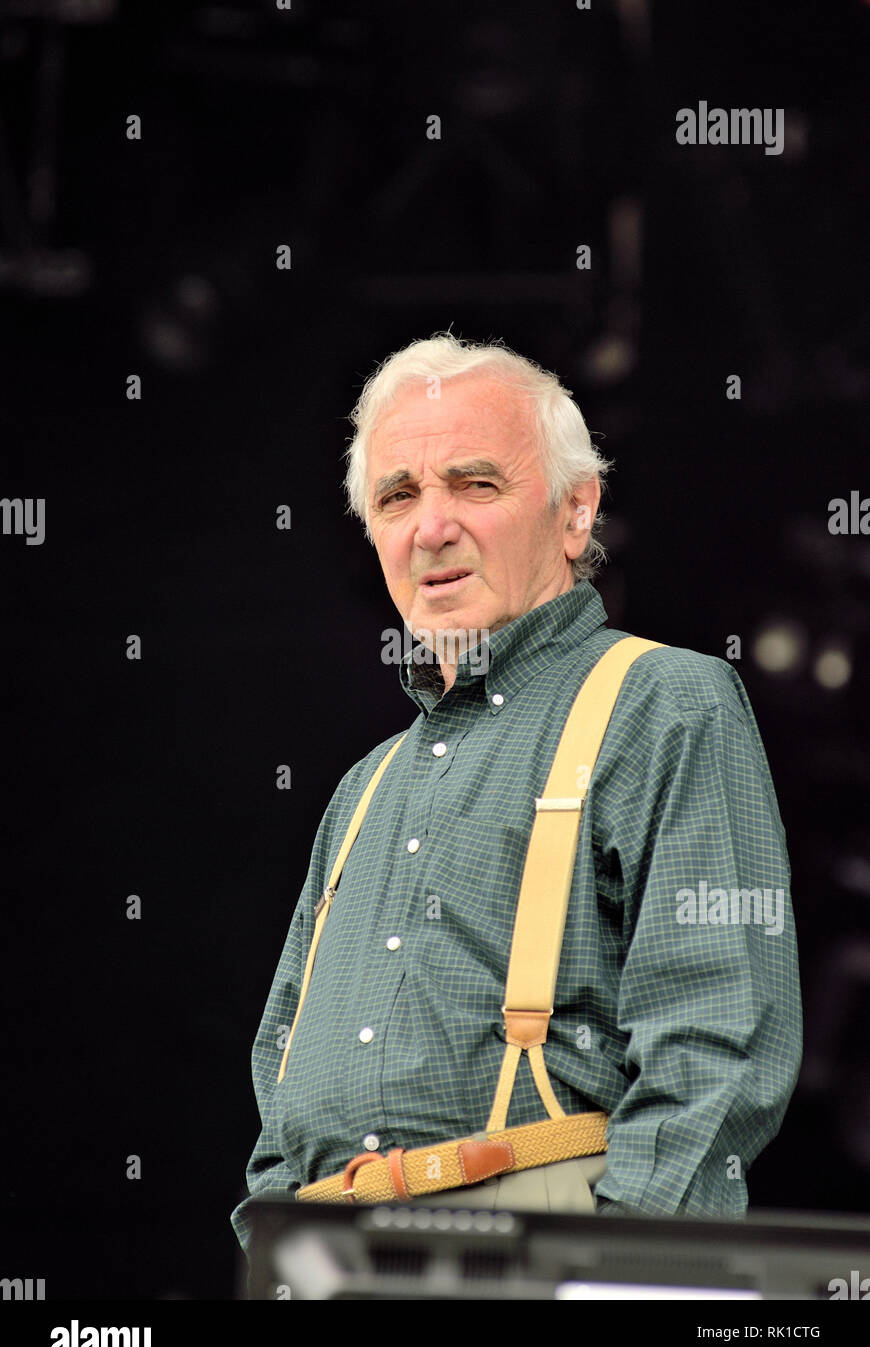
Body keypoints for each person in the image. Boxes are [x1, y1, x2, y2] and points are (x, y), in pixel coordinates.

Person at [231, 331, 802, 1254]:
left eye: (476, 484)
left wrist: (617, 1278)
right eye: (398, 496)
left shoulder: (667, 704)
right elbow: (278, 1115)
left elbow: (714, 1056)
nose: (431, 527)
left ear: (577, 513)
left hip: (538, 1262)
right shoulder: (359, 792)